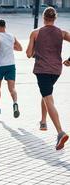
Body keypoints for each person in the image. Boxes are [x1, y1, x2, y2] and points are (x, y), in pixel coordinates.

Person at [26, 7, 70, 150]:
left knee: (48, 99)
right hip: (56, 70)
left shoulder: (36, 33)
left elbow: (28, 53)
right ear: (55, 18)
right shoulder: (62, 33)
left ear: (43, 17)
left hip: (42, 70)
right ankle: (43, 121)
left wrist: (36, 50)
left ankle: (60, 132)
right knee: (46, 94)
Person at [0, 19, 22, 118]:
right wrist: (10, 46)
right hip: (11, 65)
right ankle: (15, 103)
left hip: (0, 66)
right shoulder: (12, 36)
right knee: (12, 88)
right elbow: (20, 48)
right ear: (5, 26)